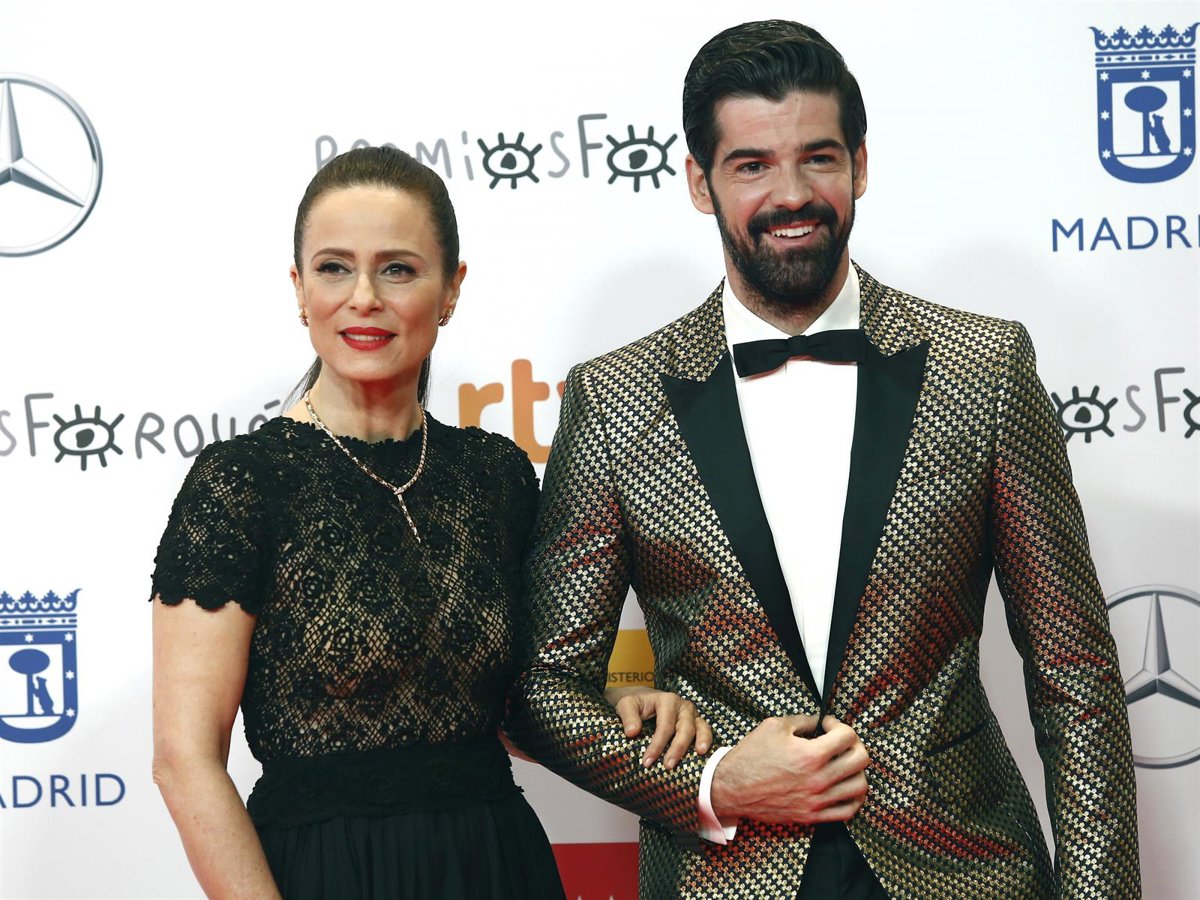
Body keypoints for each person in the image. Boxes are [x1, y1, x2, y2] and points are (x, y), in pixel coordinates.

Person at [508, 20, 1140, 899]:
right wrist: (713, 781)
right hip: (725, 873)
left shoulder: (984, 369)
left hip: (964, 869)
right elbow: (543, 685)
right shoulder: (615, 399)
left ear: (860, 166)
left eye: (819, 158)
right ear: (699, 182)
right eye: (752, 165)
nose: (792, 194)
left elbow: (1075, 673)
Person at [150, 146, 710, 900]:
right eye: (334, 268)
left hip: (496, 863)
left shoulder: (495, 475)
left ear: (450, 289)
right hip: (327, 874)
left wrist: (618, 706)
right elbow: (185, 760)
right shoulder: (242, 483)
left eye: (398, 269)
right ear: (299, 289)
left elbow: (521, 708)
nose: (364, 298)